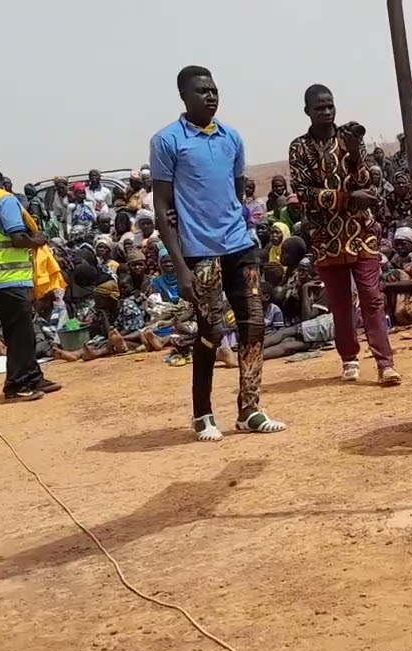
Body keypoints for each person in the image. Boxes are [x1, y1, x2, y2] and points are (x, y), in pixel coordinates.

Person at [150, 64, 287, 441]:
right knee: (210, 330)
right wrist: (180, 268)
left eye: (213, 89)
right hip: (200, 253)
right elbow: (162, 209)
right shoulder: (167, 141)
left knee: (254, 325)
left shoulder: (231, 138)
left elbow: (238, 188)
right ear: (183, 96)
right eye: (201, 91)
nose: (210, 96)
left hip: (239, 246)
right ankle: (203, 413)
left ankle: (250, 408)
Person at [288, 84, 401, 385]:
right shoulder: (299, 148)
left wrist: (353, 154)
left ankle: (384, 362)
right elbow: (304, 192)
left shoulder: (351, 139)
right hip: (326, 237)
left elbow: (364, 179)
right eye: (319, 108)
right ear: (307, 111)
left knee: (372, 298)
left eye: (330, 106)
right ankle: (349, 356)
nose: (326, 112)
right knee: (339, 303)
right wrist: (347, 199)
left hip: (361, 232)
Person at [0, 160, 62, 403]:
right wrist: (37, 239)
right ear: (1, 177)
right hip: (12, 275)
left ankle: (32, 376)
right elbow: (18, 237)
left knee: (20, 330)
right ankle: (15, 385)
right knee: (20, 332)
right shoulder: (5, 200)